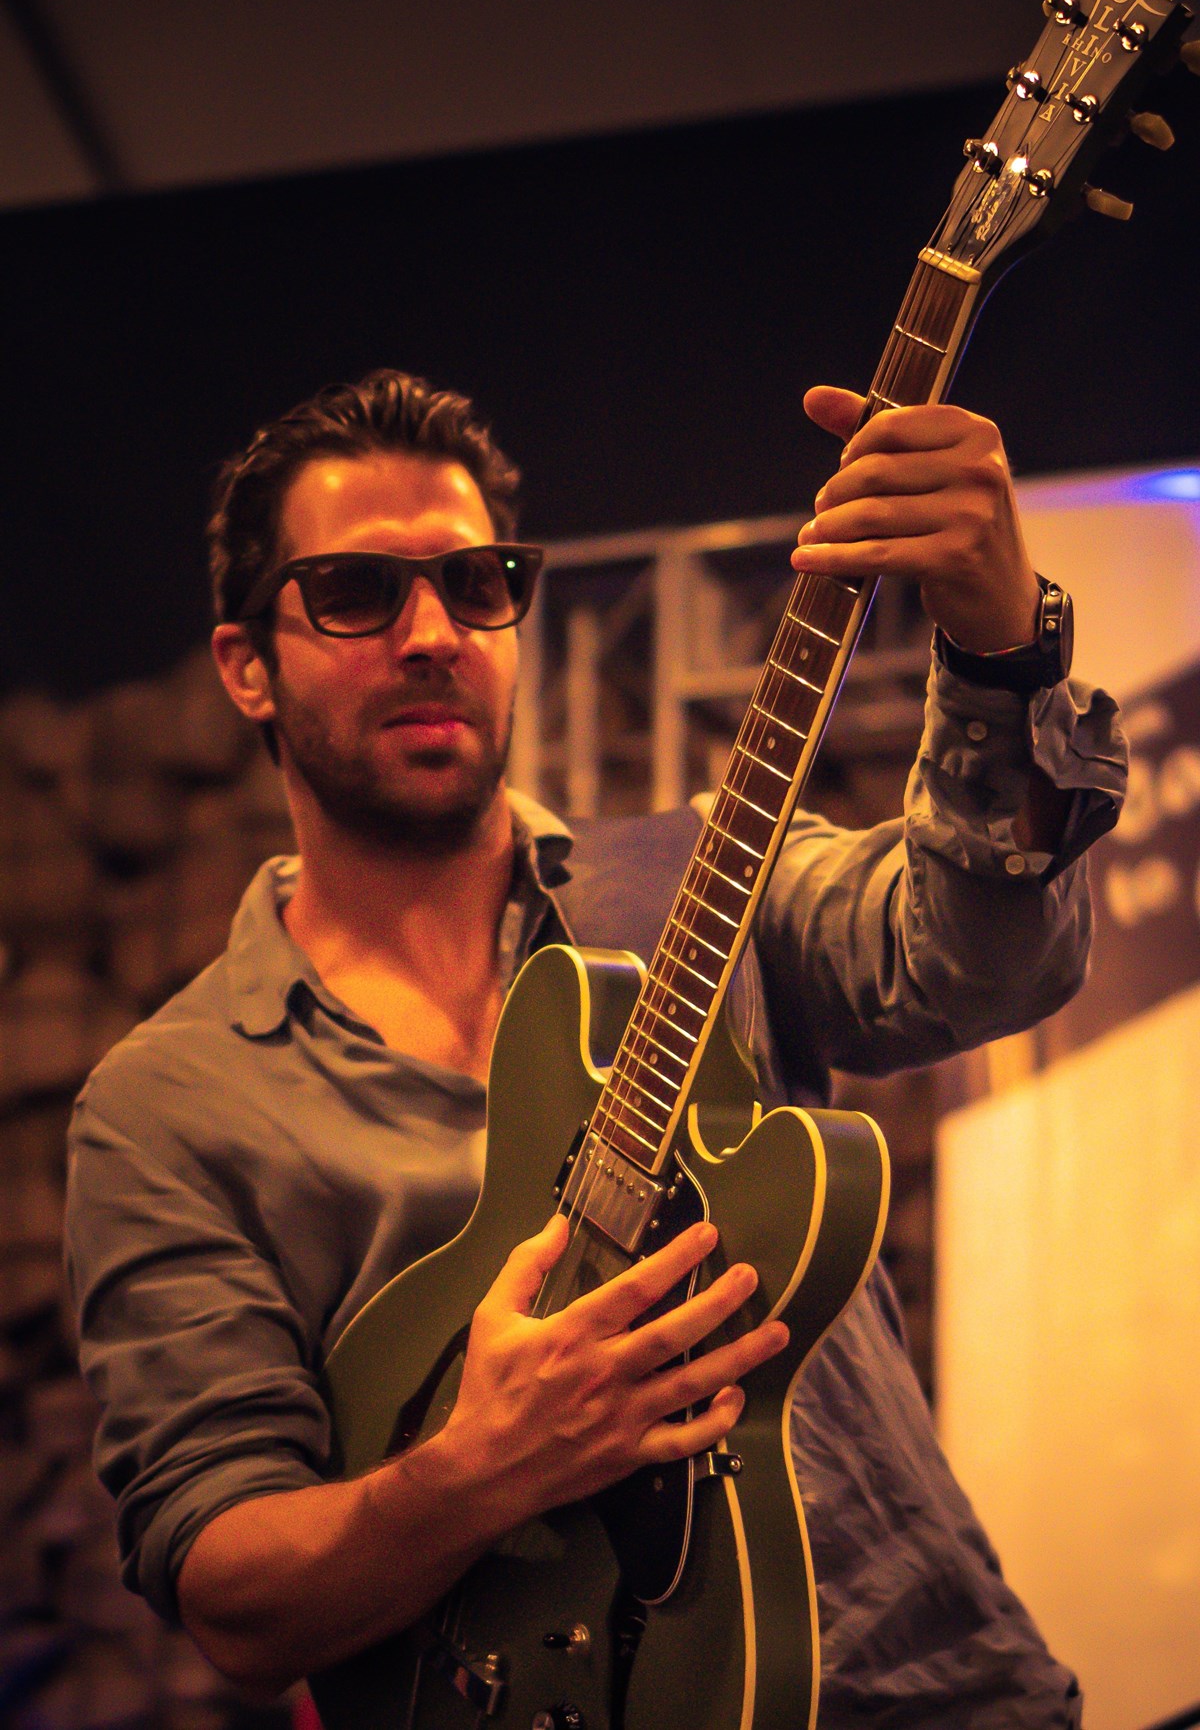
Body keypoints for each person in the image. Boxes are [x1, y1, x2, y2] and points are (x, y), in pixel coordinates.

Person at [66, 369, 1125, 1726]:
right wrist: (481, 1468)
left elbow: (987, 961)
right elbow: (229, 1592)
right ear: (244, 666)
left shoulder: (704, 883)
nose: (433, 634)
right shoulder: (170, 1103)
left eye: (478, 583)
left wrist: (998, 650)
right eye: (356, 594)